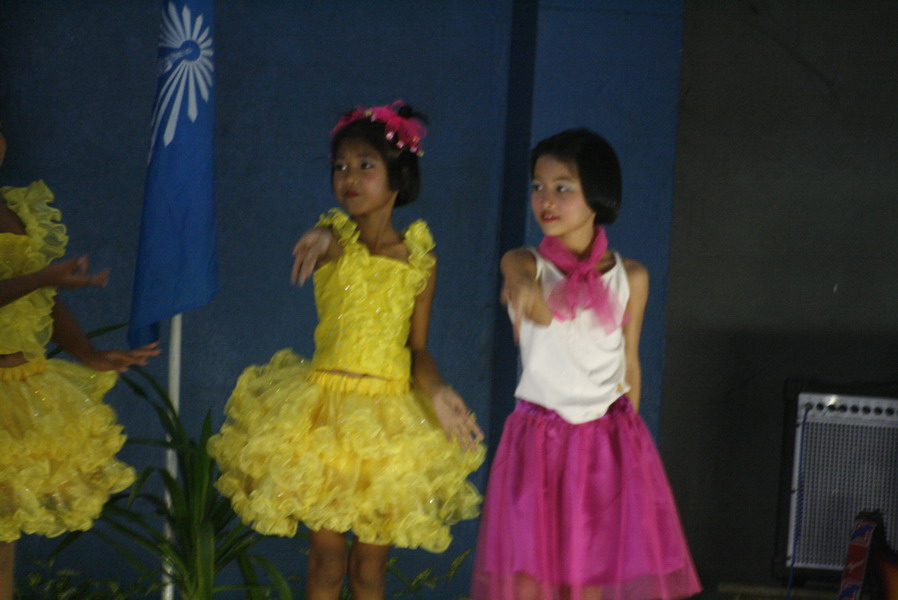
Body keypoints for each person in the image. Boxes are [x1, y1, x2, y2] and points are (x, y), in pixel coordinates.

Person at [207, 101, 485, 600]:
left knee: (369, 569)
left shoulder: (420, 261)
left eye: (365, 165)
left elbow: (418, 350)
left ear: (398, 175)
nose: (349, 178)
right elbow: (328, 238)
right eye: (340, 166)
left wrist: (438, 391)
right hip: (326, 418)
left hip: (388, 423)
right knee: (326, 561)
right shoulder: (335, 242)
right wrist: (320, 234)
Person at [471, 128, 701, 600]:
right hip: (539, 440)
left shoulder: (631, 276)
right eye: (538, 186)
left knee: (586, 582)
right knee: (528, 581)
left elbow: (630, 364)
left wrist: (631, 452)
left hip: (604, 445)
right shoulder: (526, 262)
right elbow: (521, 278)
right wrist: (523, 287)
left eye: (562, 187)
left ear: (597, 193)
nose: (545, 200)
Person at [0, 124, 160, 600]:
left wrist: (89, 353)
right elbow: (35, 285)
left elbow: (43, 301)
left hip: (22, 390)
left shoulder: (18, 210)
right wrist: (43, 277)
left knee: (4, 542)